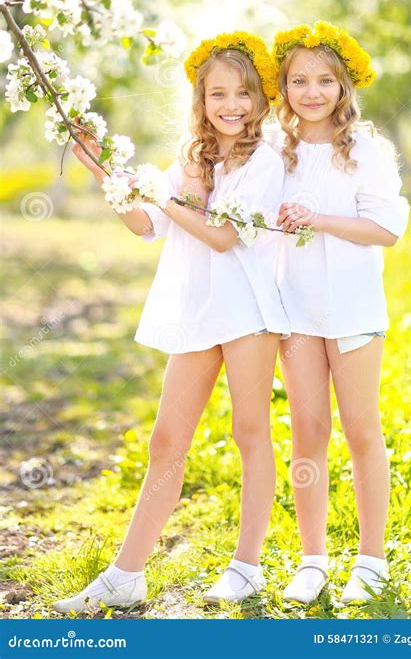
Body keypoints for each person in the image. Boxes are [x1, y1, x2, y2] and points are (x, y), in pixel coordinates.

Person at [53, 32, 290, 612]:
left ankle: (247, 566)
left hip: (249, 311)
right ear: (201, 100)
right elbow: (144, 224)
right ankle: (126, 575)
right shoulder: (190, 157)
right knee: (166, 441)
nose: (229, 105)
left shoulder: (265, 160)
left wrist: (164, 200)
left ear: (260, 99)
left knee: (249, 432)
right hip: (198, 310)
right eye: (216, 94)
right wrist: (100, 169)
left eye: (242, 93)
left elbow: (221, 237)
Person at [271, 21, 410, 605]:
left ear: (344, 86)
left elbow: (386, 229)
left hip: (352, 310)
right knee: (308, 429)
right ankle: (312, 558)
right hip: (295, 310)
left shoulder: (368, 152)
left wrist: (317, 219)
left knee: (360, 428)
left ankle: (371, 558)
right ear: (282, 87)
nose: (312, 91)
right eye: (299, 80)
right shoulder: (275, 151)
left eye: (324, 79)